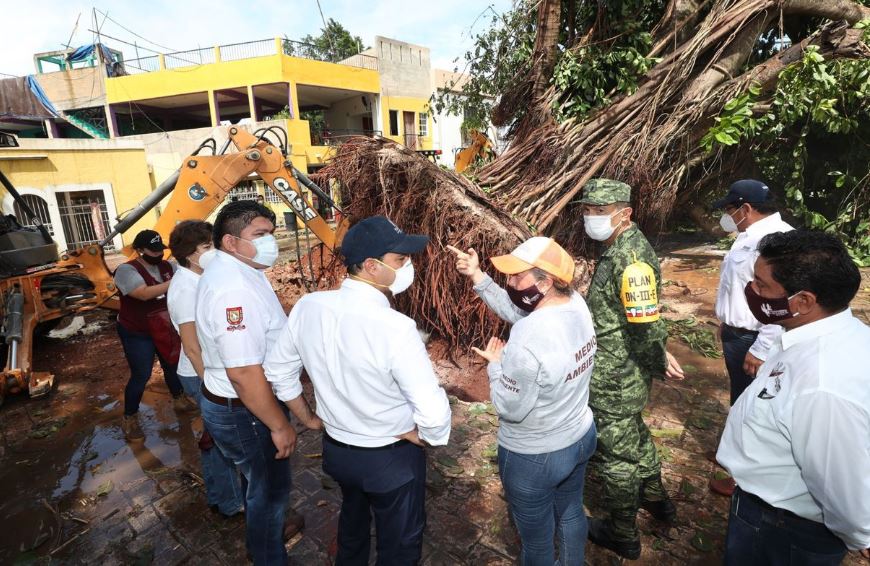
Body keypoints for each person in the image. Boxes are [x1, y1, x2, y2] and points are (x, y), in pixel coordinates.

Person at [264, 215, 451, 565]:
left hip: (338, 453)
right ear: (371, 266)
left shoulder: (309, 306)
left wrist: (308, 419)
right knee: (400, 544)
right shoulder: (396, 327)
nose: (407, 266)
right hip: (389, 459)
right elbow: (433, 409)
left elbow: (278, 371)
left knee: (352, 521)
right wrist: (428, 436)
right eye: (400, 259)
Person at [716, 230, 870, 564]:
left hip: (782, 528)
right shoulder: (820, 334)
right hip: (778, 517)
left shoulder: (822, 385)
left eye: (761, 285)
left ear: (803, 302)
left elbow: (838, 482)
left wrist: (860, 534)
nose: (751, 291)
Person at [450, 237, 598, 566]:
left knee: (537, 542)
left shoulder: (528, 337)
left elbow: (508, 407)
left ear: (545, 283)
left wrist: (495, 365)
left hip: (536, 456)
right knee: (571, 513)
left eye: (518, 276)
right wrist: (477, 276)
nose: (510, 282)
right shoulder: (575, 304)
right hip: (580, 436)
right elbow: (520, 311)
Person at [195, 200, 314, 565]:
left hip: (237, 404)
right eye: (260, 234)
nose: (270, 242)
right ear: (231, 242)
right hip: (247, 410)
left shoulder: (240, 268)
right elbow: (244, 373)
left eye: (271, 233)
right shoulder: (234, 290)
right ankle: (267, 555)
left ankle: (263, 539)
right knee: (270, 492)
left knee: (256, 481)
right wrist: (279, 425)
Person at [579, 179, 682, 560]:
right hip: (621, 371)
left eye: (600, 211)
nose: (591, 217)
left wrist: (659, 358)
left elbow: (645, 324)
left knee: (616, 456)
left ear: (625, 214)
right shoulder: (619, 248)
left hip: (615, 377)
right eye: (587, 210)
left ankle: (622, 532)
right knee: (634, 436)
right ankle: (656, 499)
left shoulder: (631, 260)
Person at [709, 179, 794, 497]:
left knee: (755, 407)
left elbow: (782, 302)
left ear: (745, 208)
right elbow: (738, 286)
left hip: (755, 339)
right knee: (741, 400)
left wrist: (761, 347)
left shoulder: (777, 240)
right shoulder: (749, 235)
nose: (727, 216)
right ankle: (733, 455)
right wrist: (726, 321)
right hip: (737, 334)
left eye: (730, 210)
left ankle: (743, 478)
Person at [167, 220, 243, 517]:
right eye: (206, 246)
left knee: (214, 438)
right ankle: (229, 501)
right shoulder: (185, 289)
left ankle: (220, 495)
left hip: (208, 370)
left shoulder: (200, 278)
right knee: (221, 440)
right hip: (200, 373)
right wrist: (211, 386)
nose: (213, 251)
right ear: (189, 253)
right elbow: (191, 346)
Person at [115, 229, 194, 441]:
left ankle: (179, 399)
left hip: (164, 325)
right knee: (141, 374)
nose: (159, 254)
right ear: (140, 250)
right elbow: (142, 294)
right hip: (137, 331)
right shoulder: (126, 270)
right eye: (153, 250)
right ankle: (130, 417)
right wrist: (177, 281)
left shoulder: (169, 266)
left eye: (161, 250)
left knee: (172, 364)